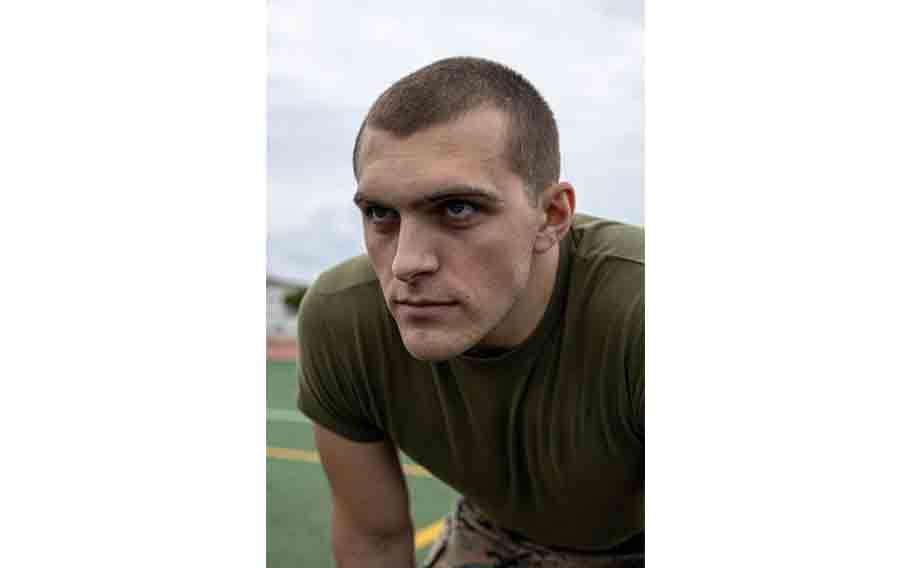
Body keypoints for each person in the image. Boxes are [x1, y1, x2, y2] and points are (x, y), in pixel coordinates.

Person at [297, 56, 644, 567]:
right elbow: (372, 538)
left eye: (458, 209)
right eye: (379, 213)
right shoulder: (343, 320)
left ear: (551, 216)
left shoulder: (643, 309)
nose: (407, 263)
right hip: (494, 532)